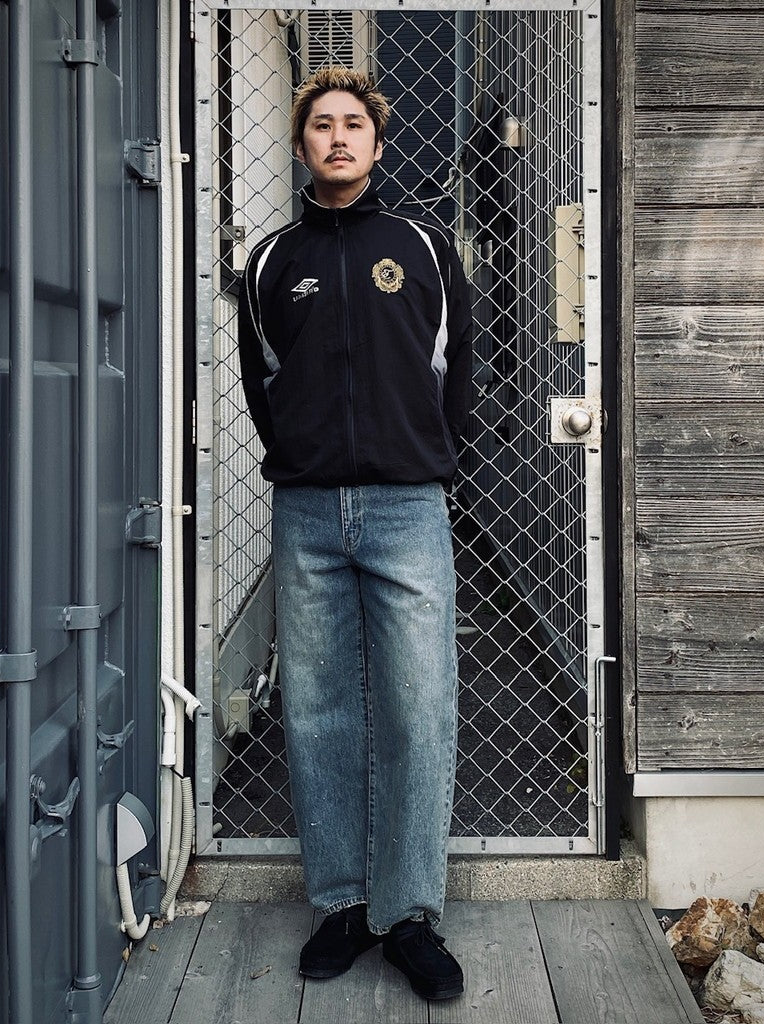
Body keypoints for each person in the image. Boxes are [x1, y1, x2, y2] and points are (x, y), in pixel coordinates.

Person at [237, 66, 473, 1002]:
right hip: (306, 512)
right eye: (320, 125)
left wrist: (426, 458)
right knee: (320, 707)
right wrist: (304, 452)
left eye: (353, 125)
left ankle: (408, 913)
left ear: (376, 143)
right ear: (301, 145)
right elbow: (263, 382)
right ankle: (340, 902)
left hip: (406, 509)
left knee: (419, 706)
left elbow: (458, 368)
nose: (337, 137)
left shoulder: (422, 246)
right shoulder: (270, 261)